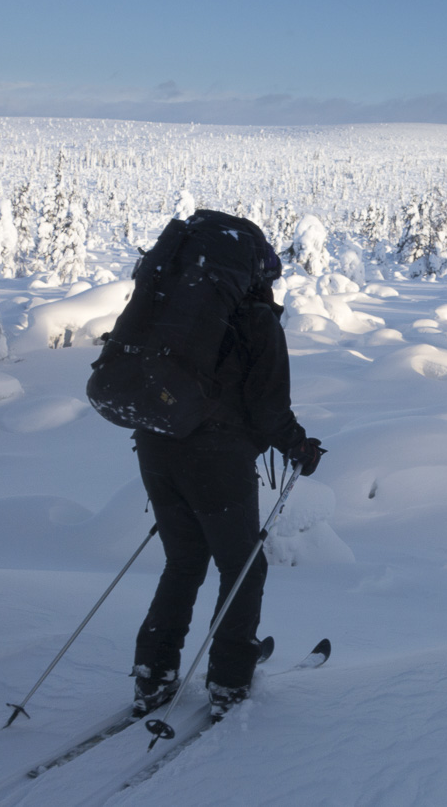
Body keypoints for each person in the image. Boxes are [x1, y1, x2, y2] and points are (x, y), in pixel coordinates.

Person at [130, 212, 323, 717]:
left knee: (184, 561)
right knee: (243, 568)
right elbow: (269, 410)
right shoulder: (256, 321)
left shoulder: (173, 307)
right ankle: (230, 680)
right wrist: (300, 448)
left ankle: (153, 673)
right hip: (214, 459)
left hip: (155, 444)